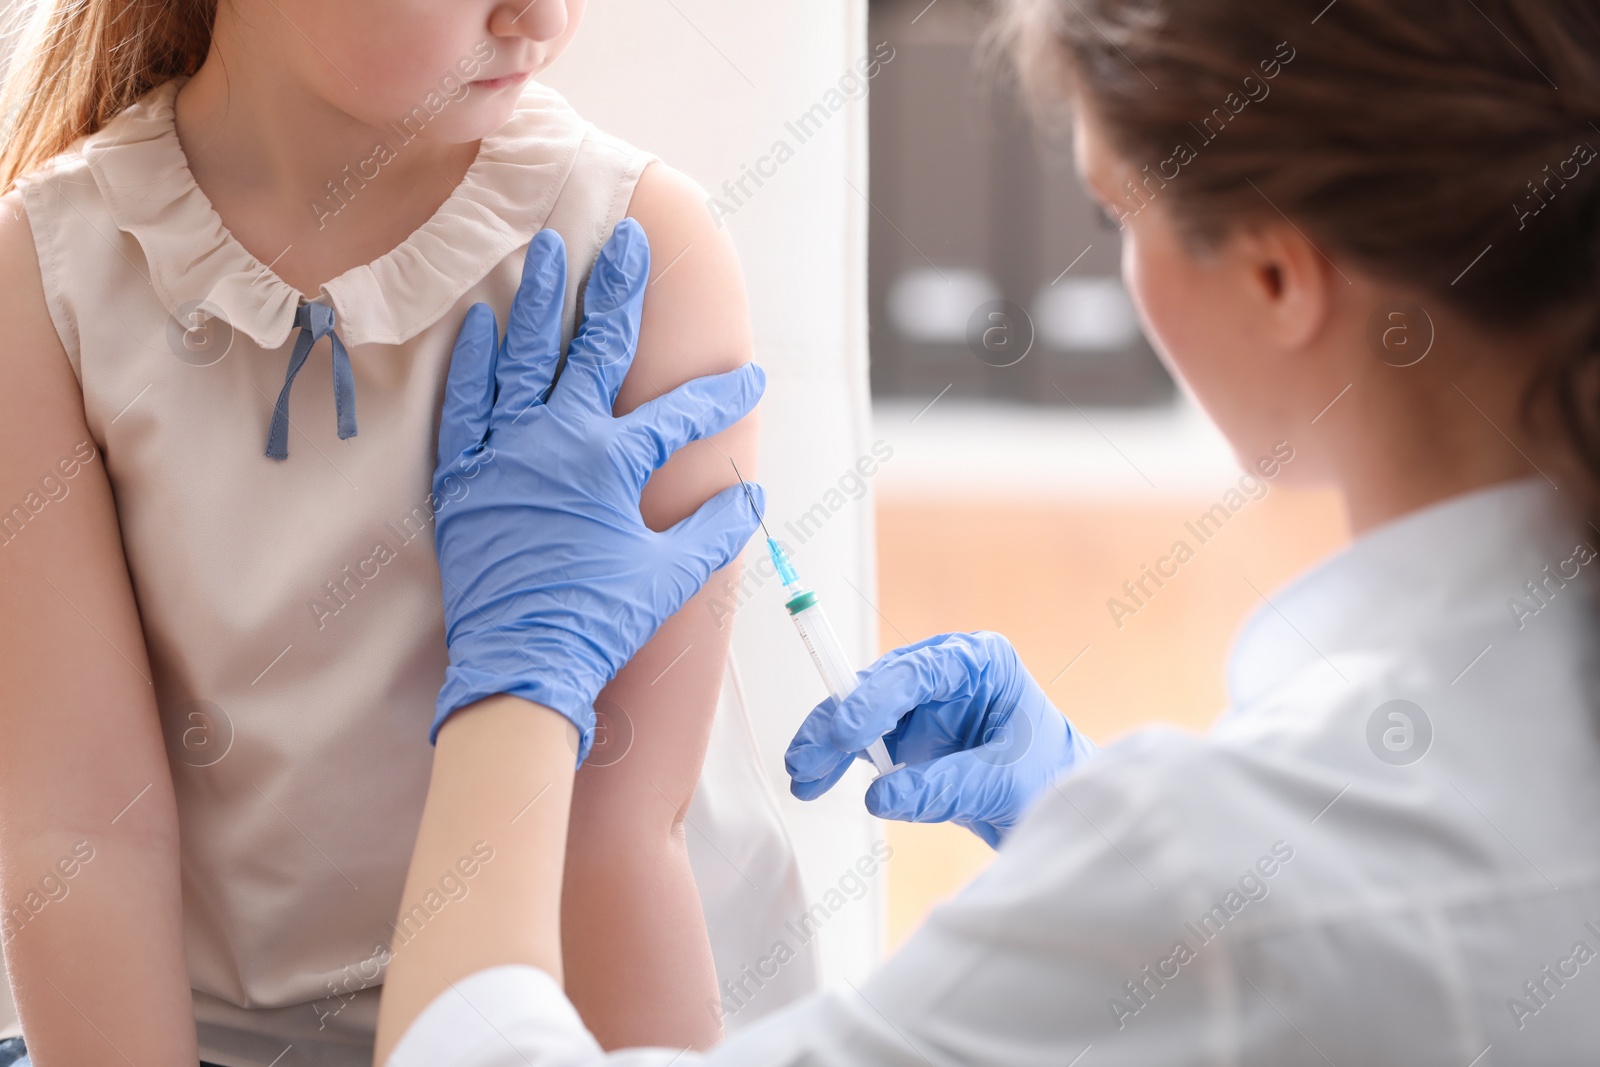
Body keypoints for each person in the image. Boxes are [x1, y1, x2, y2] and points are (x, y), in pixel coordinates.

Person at [376, 0, 1600, 1062]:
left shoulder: (1210, 888)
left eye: (1119, 215)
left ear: (1278, 278)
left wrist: (519, 673)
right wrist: (1087, 800)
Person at [0, 1, 798, 1064]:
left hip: (555, 1022)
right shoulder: (47, 274)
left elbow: (618, 836)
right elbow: (84, 832)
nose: (544, 15)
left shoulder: (635, 253)